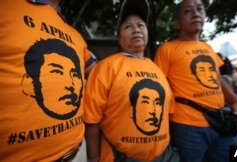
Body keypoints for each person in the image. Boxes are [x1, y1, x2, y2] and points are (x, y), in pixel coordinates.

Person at [154, 0, 237, 162]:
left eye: (199, 9)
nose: (196, 13)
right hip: (187, 126)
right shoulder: (166, 49)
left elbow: (218, 79)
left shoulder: (208, 48)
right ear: (177, 23)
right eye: (188, 11)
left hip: (221, 123)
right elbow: (159, 86)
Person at [0, 0, 96, 161]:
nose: (71, 85)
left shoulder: (74, 35)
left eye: (74, 74)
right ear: (28, 83)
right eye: (57, 71)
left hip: (78, 152)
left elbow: (100, 72)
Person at [83, 0, 178, 161]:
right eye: (128, 27)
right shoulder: (105, 67)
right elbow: (91, 120)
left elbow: (168, 114)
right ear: (119, 39)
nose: (136, 30)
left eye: (141, 25)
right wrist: (93, 159)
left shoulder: (157, 69)